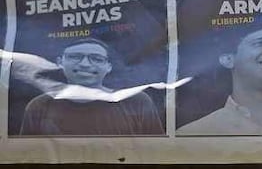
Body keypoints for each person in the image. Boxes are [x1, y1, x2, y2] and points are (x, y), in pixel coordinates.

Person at [19, 38, 163, 136]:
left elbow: (157, 152)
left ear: (108, 67)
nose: (85, 64)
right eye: (75, 57)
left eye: (96, 59)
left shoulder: (136, 101)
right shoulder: (39, 106)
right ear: (60, 62)